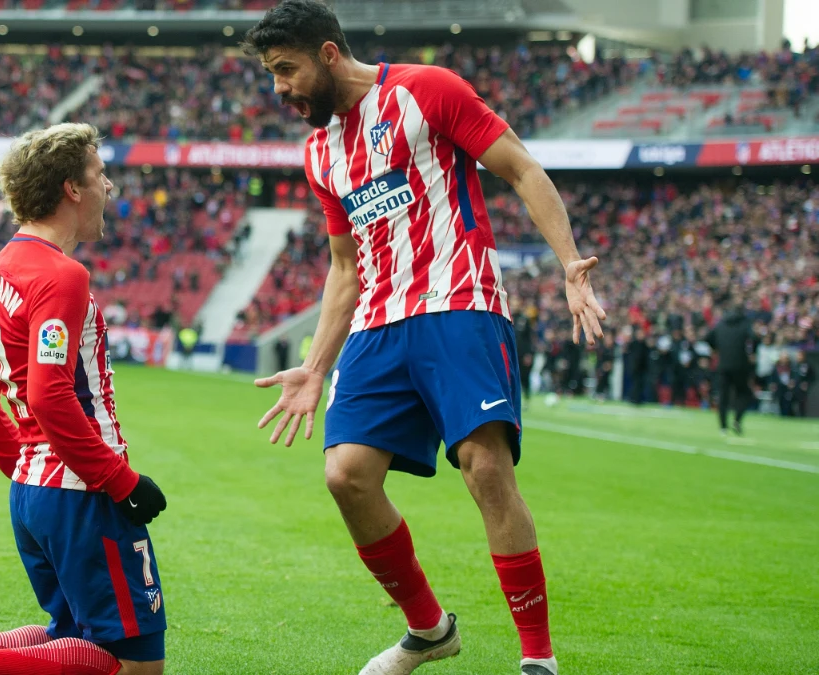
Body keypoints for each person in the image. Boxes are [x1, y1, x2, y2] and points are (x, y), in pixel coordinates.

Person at [242, 4, 606, 675]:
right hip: (378, 323)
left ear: (327, 53)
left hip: (458, 300)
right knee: (346, 476)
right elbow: (346, 268)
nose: (280, 89)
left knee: (485, 465)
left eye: (285, 70)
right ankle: (430, 630)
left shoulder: (425, 90)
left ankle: (538, 658)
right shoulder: (320, 151)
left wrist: (569, 263)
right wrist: (315, 365)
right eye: (272, 76)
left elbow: (521, 167)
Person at [0, 123, 168, 675]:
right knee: (132, 666)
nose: (110, 187)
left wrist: (32, 471)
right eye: (101, 175)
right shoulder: (62, 275)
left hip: (35, 495)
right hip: (85, 492)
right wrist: (121, 482)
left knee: (70, 636)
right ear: (72, 189)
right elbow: (50, 393)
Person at [706, 297, 755, 435]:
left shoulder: (721, 324)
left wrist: (716, 348)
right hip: (740, 365)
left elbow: (707, 337)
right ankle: (737, 419)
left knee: (723, 396)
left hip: (723, 365)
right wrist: (752, 353)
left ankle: (723, 427)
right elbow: (755, 338)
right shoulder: (745, 323)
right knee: (745, 393)